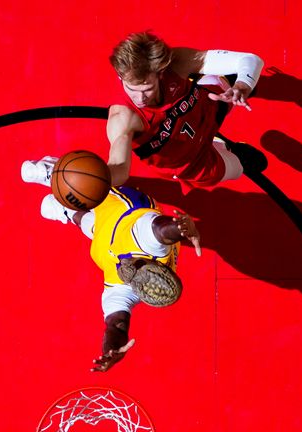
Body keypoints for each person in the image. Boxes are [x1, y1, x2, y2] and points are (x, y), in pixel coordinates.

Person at [21, 157, 201, 372]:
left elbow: (117, 324)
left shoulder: (128, 288)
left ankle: (68, 213)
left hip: (103, 236)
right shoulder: (149, 243)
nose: (133, 273)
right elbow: (162, 232)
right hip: (122, 206)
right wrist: (182, 228)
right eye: (141, 267)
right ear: (152, 262)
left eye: (134, 281)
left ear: (139, 292)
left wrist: (112, 349)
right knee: (87, 184)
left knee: (88, 225)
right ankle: (54, 172)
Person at [106, 31, 267, 190]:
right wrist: (102, 179)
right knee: (239, 168)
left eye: (148, 89)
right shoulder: (123, 117)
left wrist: (242, 86)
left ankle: (227, 84)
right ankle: (226, 148)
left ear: (160, 73)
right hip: (192, 162)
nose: (140, 98)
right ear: (120, 77)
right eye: (132, 89)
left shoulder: (174, 64)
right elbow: (119, 167)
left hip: (207, 109)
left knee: (229, 78)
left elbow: (251, 60)